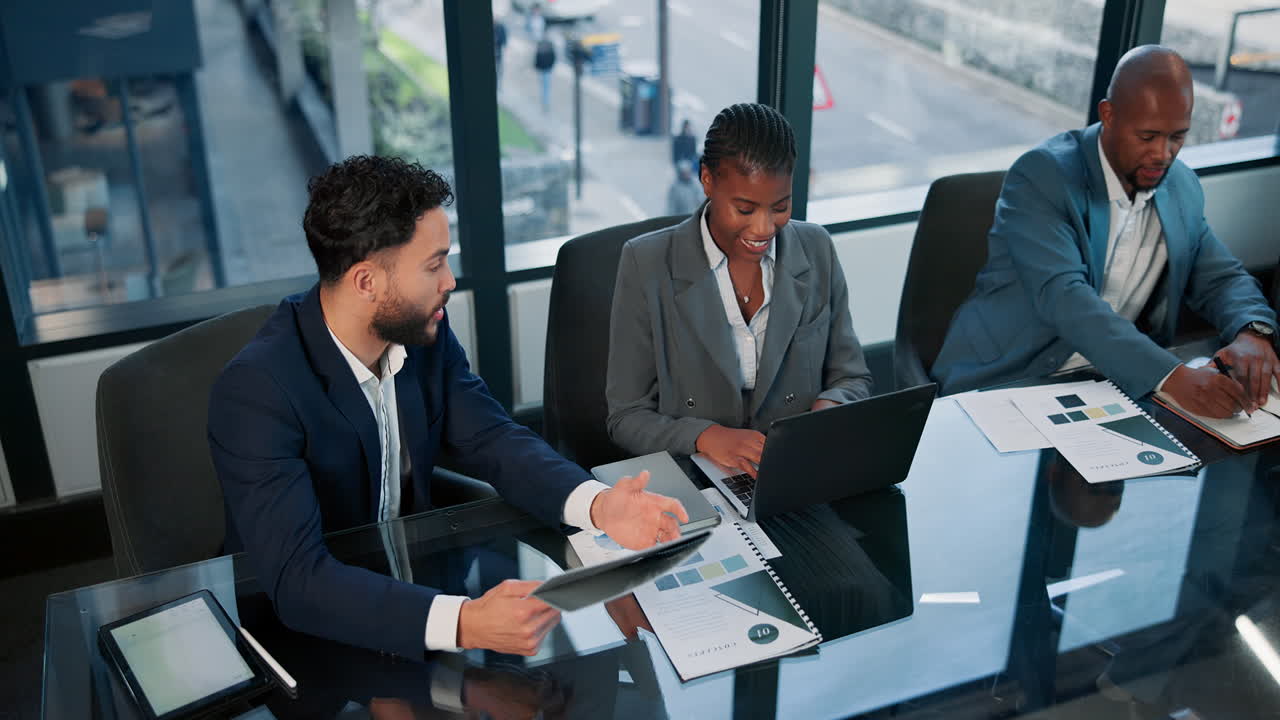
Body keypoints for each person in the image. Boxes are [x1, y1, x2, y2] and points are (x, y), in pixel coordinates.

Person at [208, 156, 688, 661]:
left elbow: (492, 438)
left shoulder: (420, 335)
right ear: (367, 282)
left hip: (412, 587)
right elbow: (299, 581)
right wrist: (462, 622)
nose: (451, 281)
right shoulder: (257, 392)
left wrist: (599, 504)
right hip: (307, 643)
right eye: (434, 264)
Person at [932, 45, 1277, 419]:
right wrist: (1172, 376)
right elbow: (1066, 299)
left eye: (1177, 137)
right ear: (1108, 115)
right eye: (1147, 137)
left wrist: (1252, 332)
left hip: (1115, 383)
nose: (1163, 154)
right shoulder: (1042, 176)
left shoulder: (1180, 187)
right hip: (1013, 377)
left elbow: (1220, 278)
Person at [606, 103, 873, 478]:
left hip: (795, 472)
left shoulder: (816, 248)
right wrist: (706, 436)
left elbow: (852, 377)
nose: (764, 228)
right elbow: (626, 416)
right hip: (696, 478)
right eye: (745, 209)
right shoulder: (645, 263)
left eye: (780, 206)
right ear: (707, 180)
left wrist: (828, 411)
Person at [534, 35, 556, 113]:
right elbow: (553, 58)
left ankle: (545, 103)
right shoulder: (549, 47)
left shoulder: (542, 46)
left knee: (544, 88)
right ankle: (545, 103)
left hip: (544, 70)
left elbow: (537, 59)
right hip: (546, 70)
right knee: (545, 88)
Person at [493, 16, 508, 90]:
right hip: (496, 52)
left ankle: (499, 85)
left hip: (498, 52)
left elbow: (504, 40)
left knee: (498, 69)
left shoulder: (500, 27)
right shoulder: (496, 27)